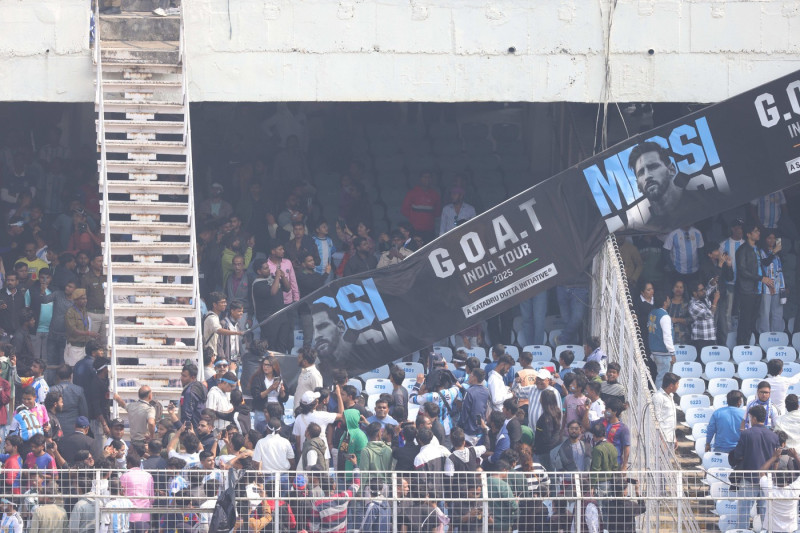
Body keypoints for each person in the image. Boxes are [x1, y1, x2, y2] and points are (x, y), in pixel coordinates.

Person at [729, 405, 780, 530]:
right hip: (766, 480)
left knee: (743, 513)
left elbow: (738, 454)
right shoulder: (774, 436)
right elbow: (776, 460)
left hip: (749, 478)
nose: (750, 420)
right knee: (765, 514)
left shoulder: (746, 434)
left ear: (754, 418)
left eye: (751, 417)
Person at [735, 222, 776, 345]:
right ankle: (741, 346)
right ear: (748, 234)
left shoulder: (757, 248)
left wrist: (767, 281)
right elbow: (742, 271)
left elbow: (761, 265)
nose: (759, 233)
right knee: (745, 320)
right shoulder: (742, 249)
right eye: (756, 231)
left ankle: (748, 346)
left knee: (753, 320)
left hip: (757, 289)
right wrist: (761, 278)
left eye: (759, 231)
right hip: (747, 290)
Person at [308, 455, 361, 533]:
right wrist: (355, 465)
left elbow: (313, 529)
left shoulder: (317, 505)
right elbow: (356, 483)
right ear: (334, 486)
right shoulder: (344, 497)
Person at [118, 451, 154, 533]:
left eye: (127, 463)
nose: (126, 465)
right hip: (144, 514)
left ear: (129, 463)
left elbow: (121, 494)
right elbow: (152, 497)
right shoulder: (148, 476)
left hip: (129, 514)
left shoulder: (125, 476)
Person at [758, 229, 785, 333]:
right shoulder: (761, 251)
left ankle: (777, 334)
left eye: (774, 238)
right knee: (765, 312)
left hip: (778, 285)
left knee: (778, 312)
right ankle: (764, 334)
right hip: (766, 286)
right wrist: (774, 252)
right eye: (769, 238)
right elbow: (765, 263)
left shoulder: (779, 253)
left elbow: (782, 269)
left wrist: (785, 286)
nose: (772, 240)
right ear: (765, 239)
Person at [401, 172, 441, 242]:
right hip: (415, 230)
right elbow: (405, 210)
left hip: (429, 230)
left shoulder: (435, 194)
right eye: (424, 177)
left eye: (429, 177)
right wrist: (414, 221)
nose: (427, 179)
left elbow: (437, 212)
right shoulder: (412, 193)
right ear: (420, 179)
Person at [63, 289, 99, 367]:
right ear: (76, 300)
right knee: (73, 369)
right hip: (74, 347)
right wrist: (89, 333)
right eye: (82, 299)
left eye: (85, 298)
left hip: (84, 347)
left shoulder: (84, 310)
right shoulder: (70, 312)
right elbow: (73, 330)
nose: (85, 301)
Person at [647, 290, 675, 389]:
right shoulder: (665, 316)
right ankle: (658, 399)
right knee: (662, 378)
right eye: (668, 299)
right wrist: (672, 353)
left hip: (655, 351)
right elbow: (667, 336)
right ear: (664, 302)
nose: (669, 301)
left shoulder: (652, 313)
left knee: (660, 376)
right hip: (663, 352)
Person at [532, 390, 561, 470]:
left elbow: (546, 437)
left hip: (544, 451)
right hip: (552, 449)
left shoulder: (546, 418)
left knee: (547, 473)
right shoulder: (556, 412)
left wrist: (536, 448)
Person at [460, 368, 490, 444]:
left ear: (475, 377)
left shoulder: (469, 392)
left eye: (470, 375)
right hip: (481, 430)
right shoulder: (486, 391)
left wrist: (459, 427)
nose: (469, 376)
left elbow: (464, 413)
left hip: (469, 432)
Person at [652, 372, 679, 448]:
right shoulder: (658, 397)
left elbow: (670, 418)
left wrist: (674, 438)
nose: (678, 386)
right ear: (671, 386)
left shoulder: (671, 396)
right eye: (677, 384)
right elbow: (657, 419)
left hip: (670, 437)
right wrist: (661, 439)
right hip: (662, 438)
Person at [179, 363, 207, 429]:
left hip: (192, 428)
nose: (181, 378)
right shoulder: (201, 387)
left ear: (193, 377)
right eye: (181, 375)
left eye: (184, 376)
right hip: (200, 426)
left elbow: (186, 414)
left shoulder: (189, 392)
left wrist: (186, 431)